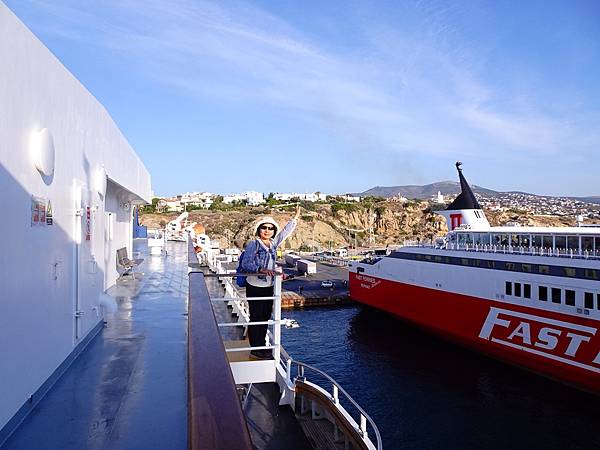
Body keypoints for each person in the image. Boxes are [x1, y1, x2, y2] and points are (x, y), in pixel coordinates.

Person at [241, 206, 300, 360]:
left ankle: (262, 346)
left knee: (265, 317)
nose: (267, 230)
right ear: (259, 230)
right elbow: (246, 264)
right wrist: (260, 269)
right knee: (256, 317)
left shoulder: (273, 244)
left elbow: (284, 234)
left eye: (270, 228)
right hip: (255, 286)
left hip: (268, 286)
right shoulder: (254, 244)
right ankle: (256, 349)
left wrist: (294, 219)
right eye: (264, 228)